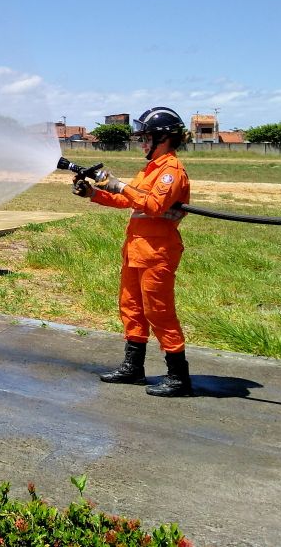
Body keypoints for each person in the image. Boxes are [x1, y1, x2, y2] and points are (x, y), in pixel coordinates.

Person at [72, 107, 193, 397]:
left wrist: (120, 184)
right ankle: (133, 368)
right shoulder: (150, 170)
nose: (142, 143)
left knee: (159, 311)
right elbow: (127, 200)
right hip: (136, 251)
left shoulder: (170, 172)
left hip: (157, 253)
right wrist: (95, 193)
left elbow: (153, 205)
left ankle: (178, 376)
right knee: (131, 307)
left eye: (146, 137)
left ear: (162, 138)